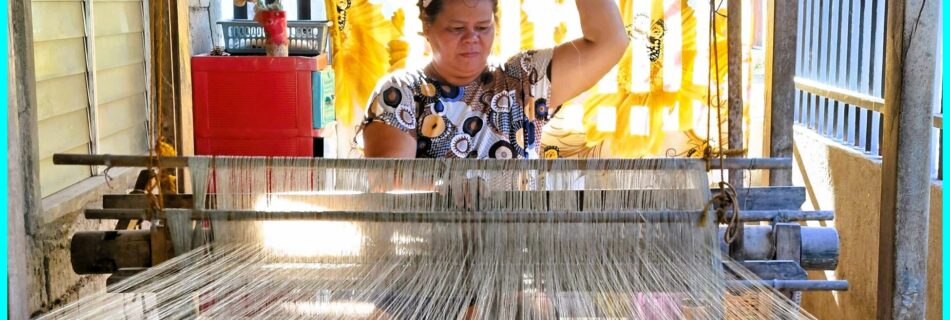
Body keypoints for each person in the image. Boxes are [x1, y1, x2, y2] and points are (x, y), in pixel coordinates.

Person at [361, 0, 628, 159]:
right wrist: (456, 189)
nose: (471, 39)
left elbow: (610, 41)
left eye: (482, 27)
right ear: (426, 28)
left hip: (517, 248)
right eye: (456, 29)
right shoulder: (400, 93)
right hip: (432, 249)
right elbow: (388, 183)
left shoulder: (524, 79)